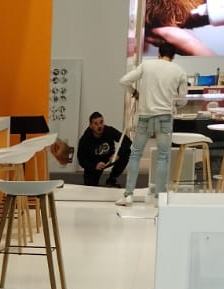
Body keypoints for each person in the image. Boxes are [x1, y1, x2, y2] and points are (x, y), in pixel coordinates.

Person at [116, 44, 190, 207]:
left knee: (135, 154)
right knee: (163, 156)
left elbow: (124, 81)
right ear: (173, 56)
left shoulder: (147, 65)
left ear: (158, 53)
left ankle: (129, 195)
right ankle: (159, 197)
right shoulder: (179, 71)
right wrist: (174, 104)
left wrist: (134, 92)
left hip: (145, 116)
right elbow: (183, 100)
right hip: (165, 117)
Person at [76, 112, 130, 187]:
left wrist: (117, 154)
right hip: (94, 163)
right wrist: (94, 166)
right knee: (90, 188)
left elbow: (127, 141)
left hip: (109, 159)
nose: (99, 126)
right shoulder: (85, 139)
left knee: (126, 152)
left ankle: (112, 179)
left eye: (101, 122)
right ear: (91, 126)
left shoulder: (109, 130)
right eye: (96, 124)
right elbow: (81, 160)